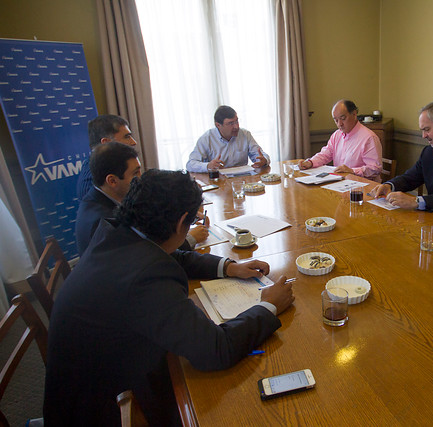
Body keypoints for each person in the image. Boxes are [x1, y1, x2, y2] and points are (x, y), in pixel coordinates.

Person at [45, 169, 295, 426]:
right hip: (102, 411)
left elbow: (170, 255)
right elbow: (216, 350)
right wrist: (268, 305)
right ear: (181, 223)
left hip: (83, 383)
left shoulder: (118, 233)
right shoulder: (145, 277)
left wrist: (230, 267)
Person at [75, 143, 208, 256]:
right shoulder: (103, 221)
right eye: (135, 173)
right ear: (112, 181)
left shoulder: (103, 198)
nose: (141, 178)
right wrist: (190, 238)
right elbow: (147, 256)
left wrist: (182, 212)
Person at [298, 100, 382, 181]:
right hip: (341, 183)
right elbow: (325, 154)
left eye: (343, 118)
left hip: (362, 186)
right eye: (336, 120)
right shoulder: (337, 135)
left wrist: (352, 171)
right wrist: (310, 162)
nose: (339, 124)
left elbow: (375, 169)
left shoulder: (369, 138)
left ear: (354, 114)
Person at [186, 105, 270, 172]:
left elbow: (260, 156)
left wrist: (264, 161)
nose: (236, 127)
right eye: (231, 123)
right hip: (219, 183)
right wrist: (208, 166)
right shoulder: (206, 139)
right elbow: (190, 164)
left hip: (242, 181)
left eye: (237, 121)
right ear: (218, 125)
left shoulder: (245, 134)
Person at [76, 114, 137, 200]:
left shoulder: (114, 165)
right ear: (106, 142)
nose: (134, 142)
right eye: (127, 137)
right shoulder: (91, 182)